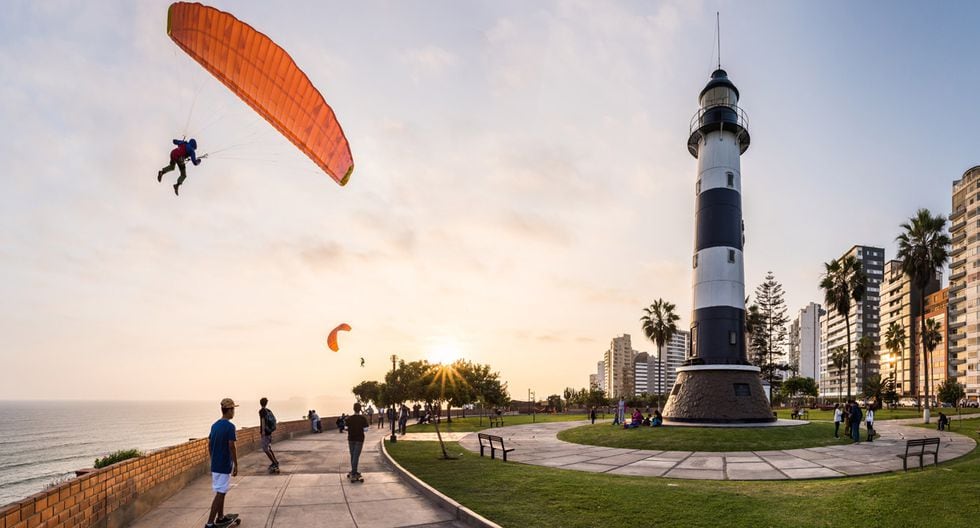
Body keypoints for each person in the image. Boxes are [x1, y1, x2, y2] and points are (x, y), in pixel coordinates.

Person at [205, 398, 238, 528]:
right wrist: (236, 464)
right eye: (233, 409)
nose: (234, 412)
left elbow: (209, 443)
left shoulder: (214, 425)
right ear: (229, 410)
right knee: (220, 493)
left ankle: (220, 517)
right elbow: (232, 446)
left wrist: (213, 458)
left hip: (216, 464)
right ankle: (209, 523)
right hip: (224, 465)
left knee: (221, 491)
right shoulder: (230, 427)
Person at [345, 402, 370, 480]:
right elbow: (365, 430)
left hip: (351, 439)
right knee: (356, 456)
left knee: (353, 455)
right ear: (360, 409)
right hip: (359, 439)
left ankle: (353, 471)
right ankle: (354, 472)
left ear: (353, 409)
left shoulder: (349, 418)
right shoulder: (363, 418)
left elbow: (346, 428)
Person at [258, 398, 279, 473]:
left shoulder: (262, 411)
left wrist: (263, 431)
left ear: (260, 403)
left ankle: (274, 463)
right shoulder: (268, 410)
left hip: (265, 432)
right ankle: (275, 461)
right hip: (269, 432)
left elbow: (263, 420)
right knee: (269, 448)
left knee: (265, 449)